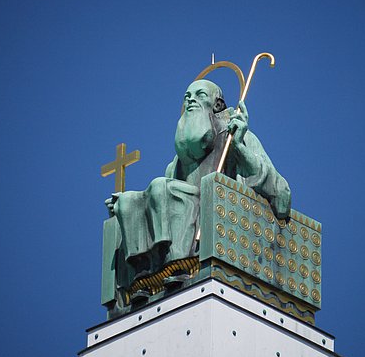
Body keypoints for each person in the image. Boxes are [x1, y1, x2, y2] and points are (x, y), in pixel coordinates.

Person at [106, 79, 290, 280]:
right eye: (187, 97)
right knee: (128, 201)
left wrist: (239, 148)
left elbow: (282, 195)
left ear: (217, 105)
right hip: (187, 208)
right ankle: (144, 272)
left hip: (217, 212)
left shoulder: (235, 136)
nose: (191, 100)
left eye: (200, 95)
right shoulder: (175, 164)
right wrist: (125, 207)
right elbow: (158, 206)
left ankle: (178, 264)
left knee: (160, 186)